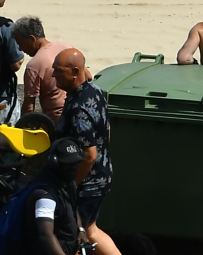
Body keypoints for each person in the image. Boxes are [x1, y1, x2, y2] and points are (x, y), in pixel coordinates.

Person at [53, 49, 124, 255]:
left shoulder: (79, 109)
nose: (53, 75)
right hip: (102, 174)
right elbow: (106, 133)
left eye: (58, 71)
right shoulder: (95, 91)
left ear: (75, 72)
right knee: (90, 229)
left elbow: (89, 154)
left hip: (86, 184)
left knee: (73, 236)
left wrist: (72, 185)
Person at [14, 18, 70, 123]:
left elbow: (29, 107)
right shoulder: (66, 47)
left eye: (20, 43)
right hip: (75, 112)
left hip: (56, 121)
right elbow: (88, 76)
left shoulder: (34, 66)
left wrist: (22, 127)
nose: (20, 49)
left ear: (32, 39)